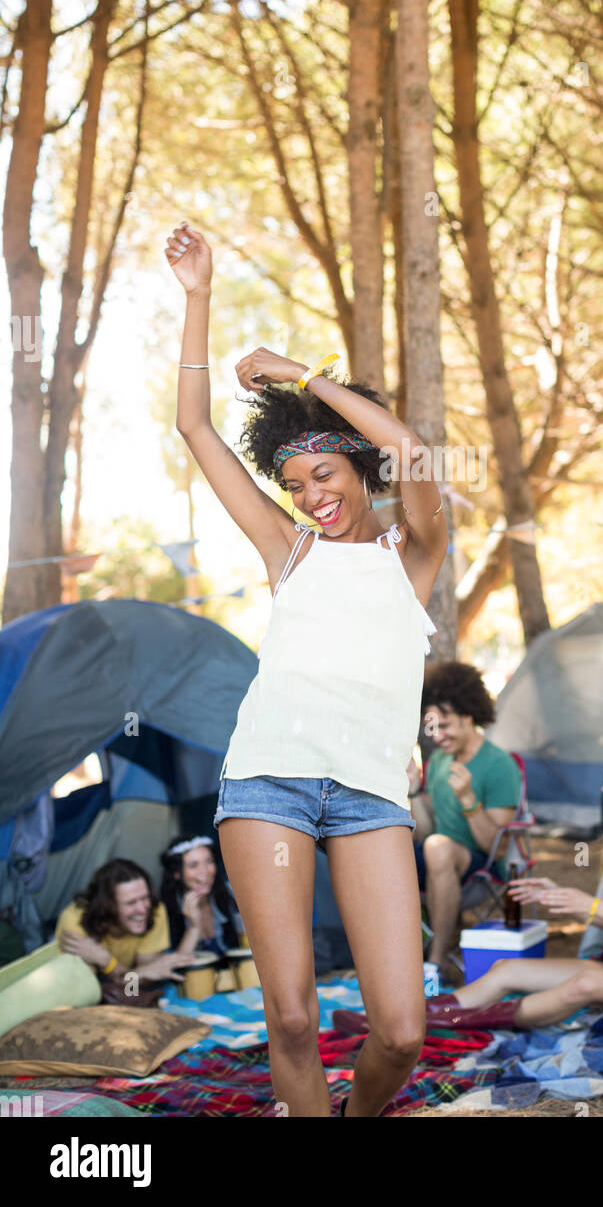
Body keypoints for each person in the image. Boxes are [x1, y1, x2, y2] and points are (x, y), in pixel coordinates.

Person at [166, 222, 448, 1118]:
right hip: (268, 785)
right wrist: (200, 297)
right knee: (289, 1017)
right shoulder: (289, 552)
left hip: (368, 797)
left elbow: (416, 454)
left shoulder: (416, 558)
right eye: (297, 486)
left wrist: (298, 376)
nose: (314, 498)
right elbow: (193, 425)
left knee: (401, 1030)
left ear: (356, 469)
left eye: (326, 474)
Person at [334, 737, 603, 1034]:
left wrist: (590, 907)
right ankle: (400, 1020)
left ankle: (430, 1026)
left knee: (583, 988)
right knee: (505, 971)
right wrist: (555, 894)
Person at [409, 661, 521, 978]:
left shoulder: (499, 764)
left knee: (439, 847)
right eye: (431, 727)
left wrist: (470, 800)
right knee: (385, 843)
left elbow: (496, 848)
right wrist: (415, 791)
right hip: (438, 861)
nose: (437, 736)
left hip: (480, 868)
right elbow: (428, 832)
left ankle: (436, 959)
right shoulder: (438, 763)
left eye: (444, 725)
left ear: (468, 715)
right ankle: (394, 957)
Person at [55, 858, 195, 1002]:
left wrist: (106, 961)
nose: (142, 909)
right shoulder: (74, 920)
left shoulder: (154, 910)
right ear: (107, 906)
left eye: (145, 898)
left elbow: (137, 988)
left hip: (125, 989)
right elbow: (80, 994)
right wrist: (138, 973)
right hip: (86, 993)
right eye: (131, 903)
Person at [159, 834, 242, 957]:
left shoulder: (230, 894)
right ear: (176, 873)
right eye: (193, 865)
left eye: (209, 861)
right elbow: (175, 970)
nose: (204, 871)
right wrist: (193, 927)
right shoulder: (164, 910)